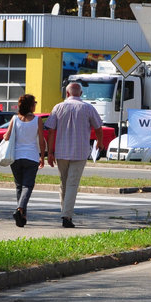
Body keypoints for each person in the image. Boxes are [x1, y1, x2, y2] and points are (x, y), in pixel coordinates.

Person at [45, 81, 104, 228]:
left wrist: (50, 152)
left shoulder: (58, 107)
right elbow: (98, 127)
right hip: (80, 151)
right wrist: (100, 141)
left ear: (67, 93)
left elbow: (51, 130)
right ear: (81, 94)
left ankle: (65, 213)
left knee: (63, 184)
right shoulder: (88, 108)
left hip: (61, 151)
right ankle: (67, 215)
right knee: (72, 184)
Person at [2, 93, 48, 227]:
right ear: (30, 105)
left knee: (19, 186)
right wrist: (42, 157)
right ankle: (20, 209)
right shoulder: (37, 120)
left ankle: (22, 217)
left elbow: (6, 137)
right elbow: (41, 140)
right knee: (28, 185)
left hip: (16, 157)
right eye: (34, 103)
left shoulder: (14, 118)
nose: (35, 105)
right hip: (31, 157)